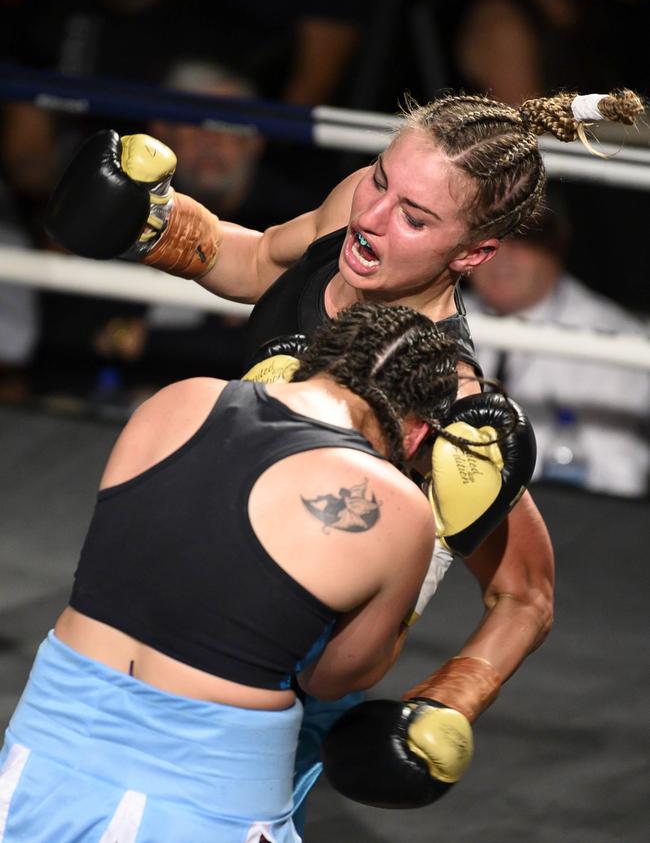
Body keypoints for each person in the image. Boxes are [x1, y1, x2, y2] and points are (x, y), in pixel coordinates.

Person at [45, 86, 643, 820]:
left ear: (475, 251)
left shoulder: (444, 402)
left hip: (270, 687)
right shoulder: (356, 210)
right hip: (160, 615)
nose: (373, 218)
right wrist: (156, 225)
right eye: (381, 178)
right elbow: (260, 258)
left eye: (415, 217)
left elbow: (527, 591)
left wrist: (450, 700)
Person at [0, 301, 490, 840]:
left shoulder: (177, 399)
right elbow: (331, 678)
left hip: (43, 752)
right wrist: (437, 543)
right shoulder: (397, 506)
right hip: (206, 791)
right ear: (418, 434)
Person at [464, 207, 650, 498]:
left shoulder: (614, 341)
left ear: (556, 243)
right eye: (488, 238)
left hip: (562, 523)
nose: (501, 256)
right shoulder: (439, 316)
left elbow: (619, 482)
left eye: (521, 238)